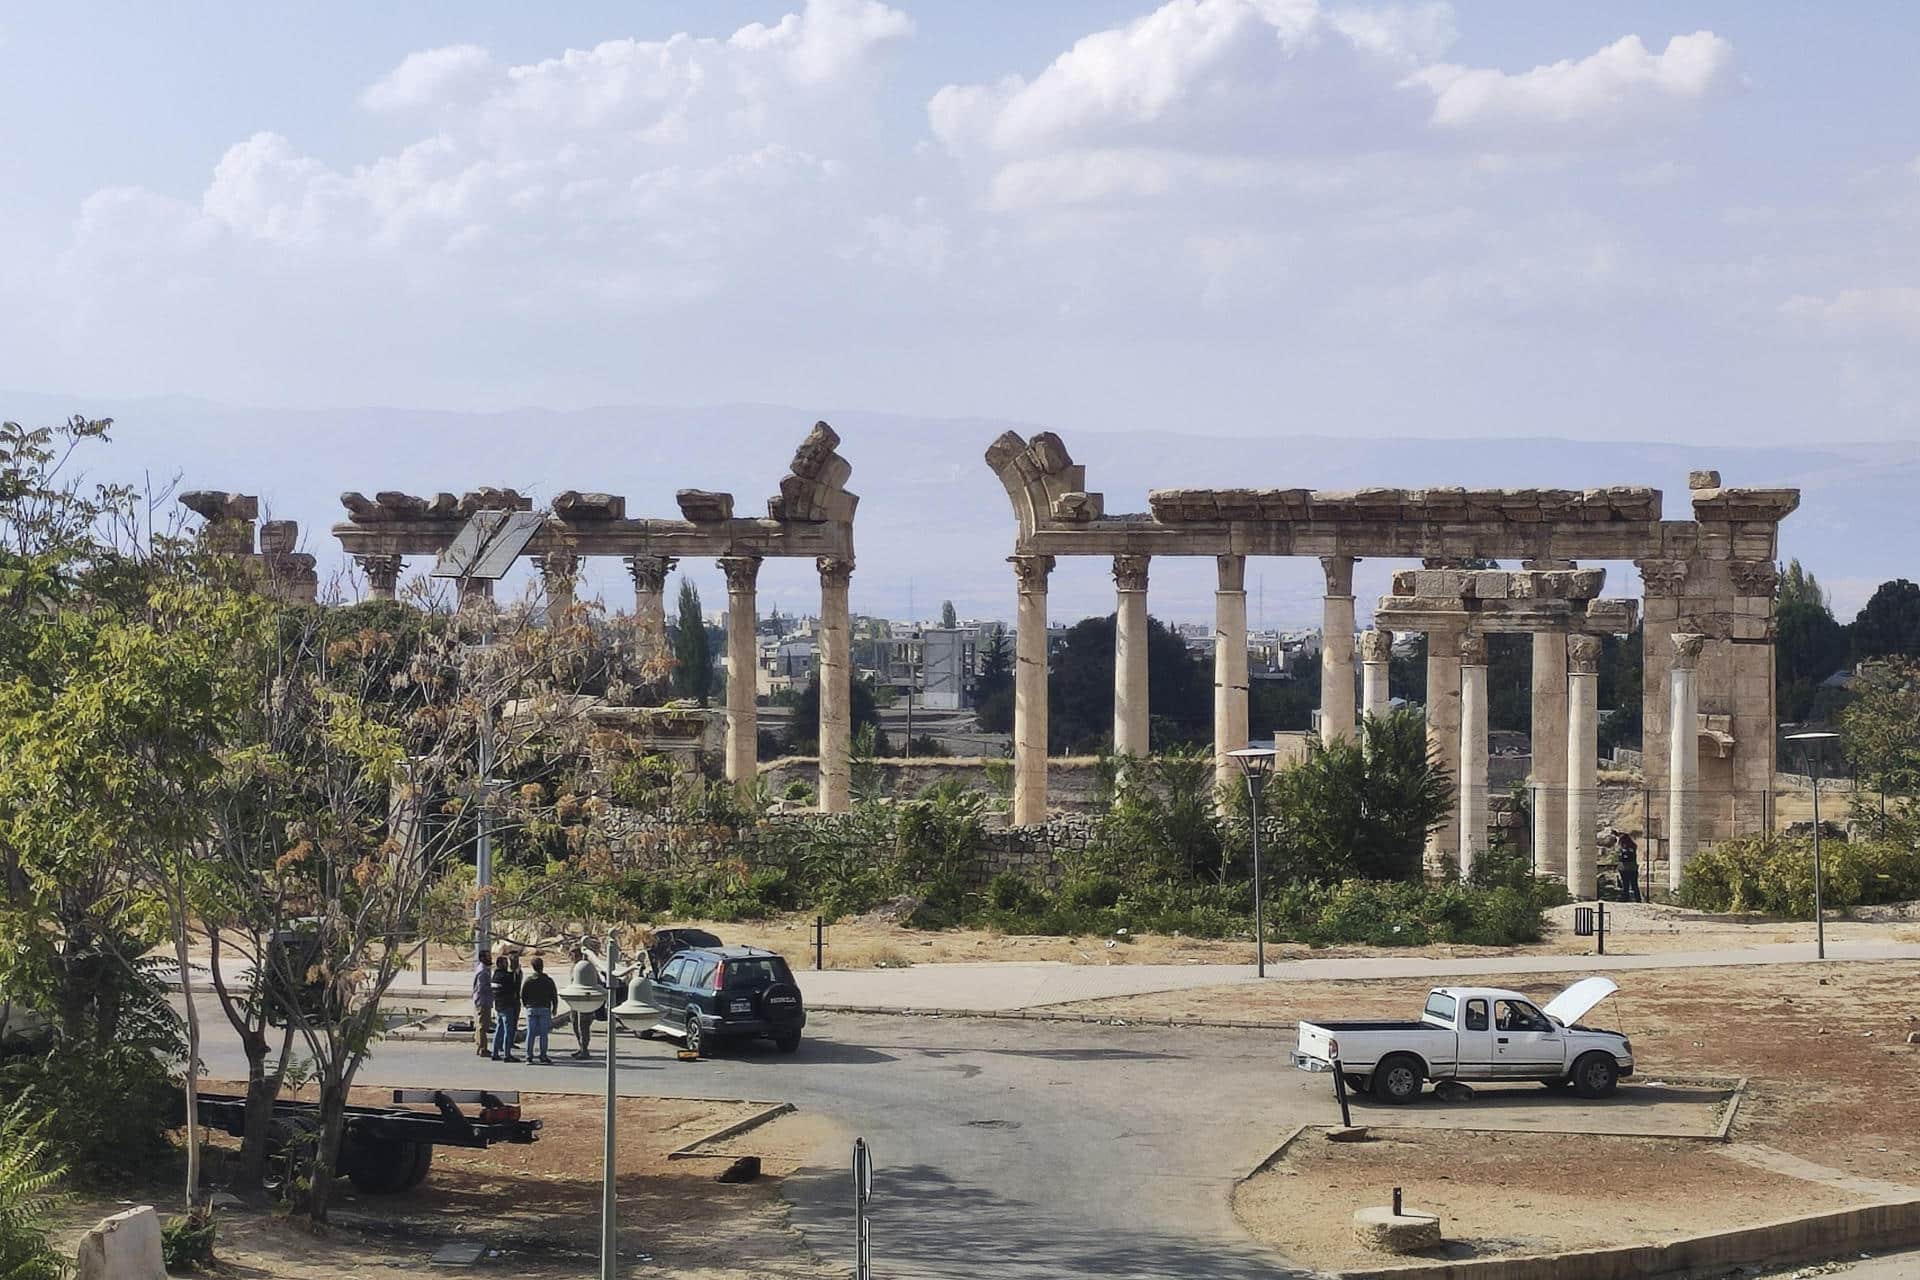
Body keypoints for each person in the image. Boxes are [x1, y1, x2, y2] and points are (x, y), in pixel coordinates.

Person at [568, 945, 604, 1060]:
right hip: (575, 1000)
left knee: (583, 1026)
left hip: (585, 1001)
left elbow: (597, 982)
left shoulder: (588, 967)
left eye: (575, 954)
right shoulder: (574, 967)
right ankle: (581, 1047)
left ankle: (585, 1049)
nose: (572, 956)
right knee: (575, 1024)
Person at [520, 955, 558, 1065]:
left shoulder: (529, 980)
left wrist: (526, 1005)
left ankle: (529, 1056)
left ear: (532, 967)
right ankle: (543, 1056)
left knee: (530, 1034)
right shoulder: (548, 980)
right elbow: (554, 995)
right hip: (544, 1008)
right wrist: (554, 1007)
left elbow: (523, 994)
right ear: (542, 966)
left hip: (531, 1008)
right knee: (543, 1034)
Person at [490, 953, 521, 1062]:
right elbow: (515, 988)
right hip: (507, 1005)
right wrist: (516, 973)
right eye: (505, 963)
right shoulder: (506, 977)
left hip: (498, 1006)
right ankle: (507, 1054)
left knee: (499, 1029)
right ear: (501, 964)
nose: (507, 964)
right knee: (508, 1030)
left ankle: (495, 1052)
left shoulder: (495, 976)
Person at [472, 949, 494, 1058]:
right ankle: (482, 1048)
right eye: (488, 957)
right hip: (483, 1001)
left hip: (483, 1000)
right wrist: (493, 987)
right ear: (482, 958)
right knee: (482, 1026)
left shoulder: (484, 969)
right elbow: (482, 988)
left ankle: (480, 1046)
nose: (490, 958)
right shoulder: (482, 971)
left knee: (481, 1025)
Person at [1616, 830, 1641, 902]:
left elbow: (1623, 857)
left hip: (1626, 868)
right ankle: (1636, 899)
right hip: (1630, 868)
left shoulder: (1627, 848)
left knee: (1627, 885)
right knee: (1632, 885)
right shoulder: (1632, 847)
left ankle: (1626, 898)